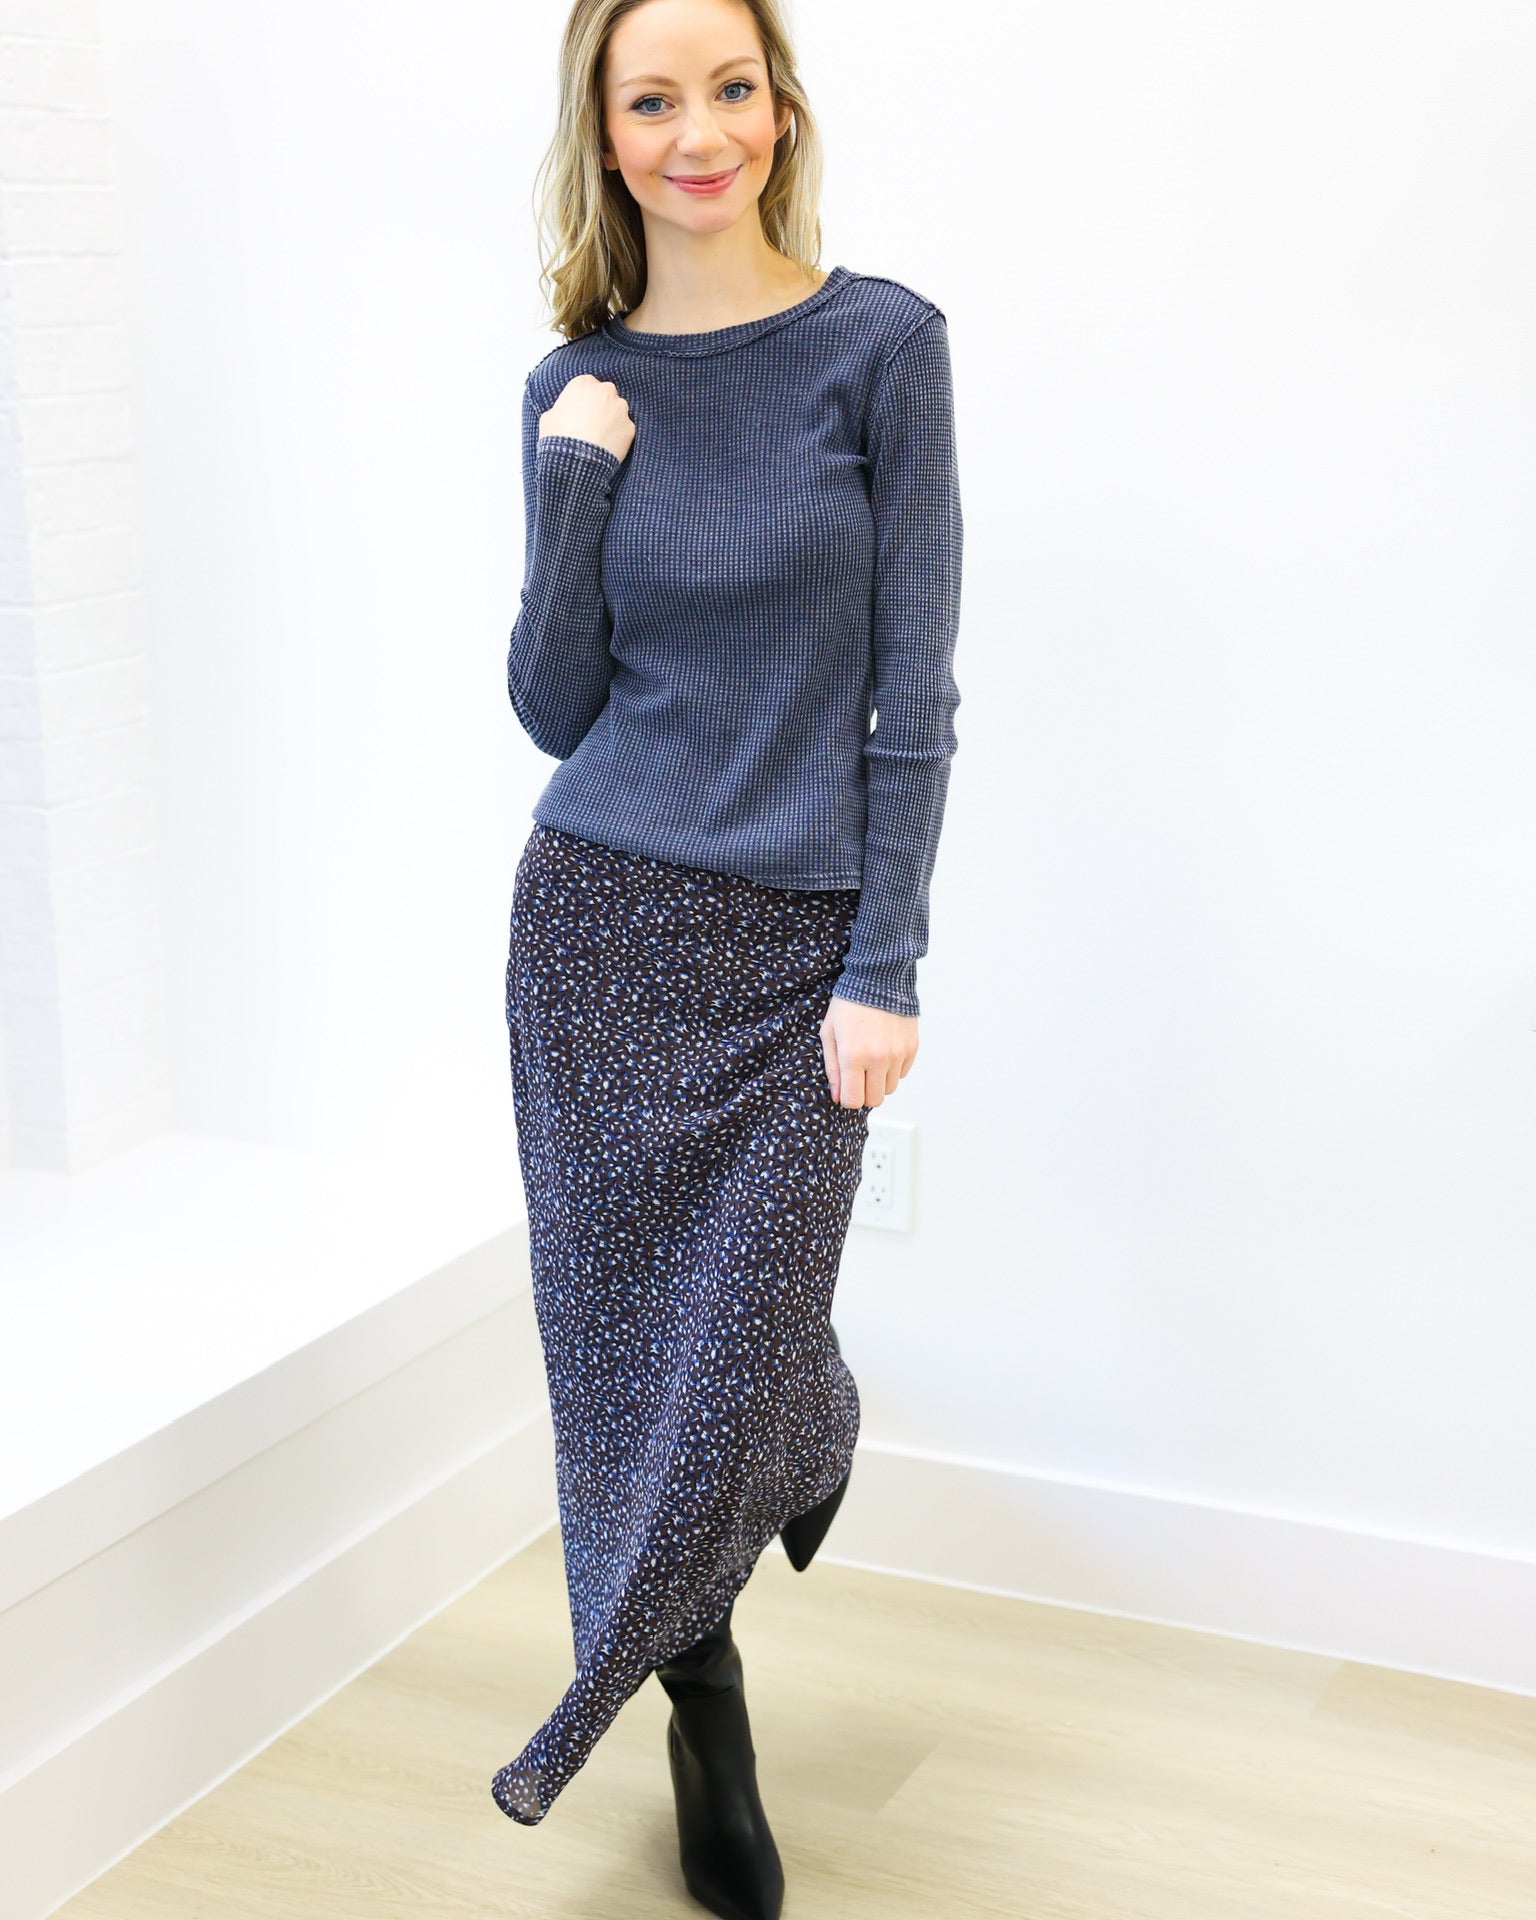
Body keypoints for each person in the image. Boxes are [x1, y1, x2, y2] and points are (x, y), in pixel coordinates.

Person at [490, 0, 962, 1913]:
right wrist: (574, 475)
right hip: (597, 921)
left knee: (741, 1337)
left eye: (730, 87)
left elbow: (912, 695)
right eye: (652, 97)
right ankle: (702, 1701)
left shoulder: (884, 348)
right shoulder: (577, 382)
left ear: (782, 106)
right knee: (620, 1361)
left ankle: (795, 1436)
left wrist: (889, 964)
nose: (700, 130)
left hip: (794, 955)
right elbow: (552, 700)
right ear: (606, 135)